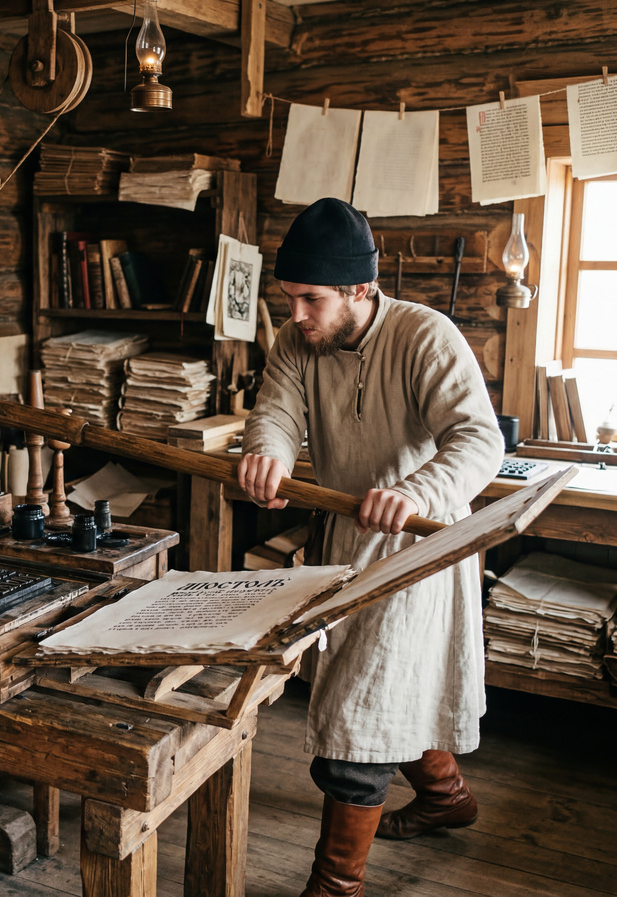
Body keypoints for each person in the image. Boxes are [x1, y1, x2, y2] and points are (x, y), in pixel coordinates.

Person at [237, 198, 505, 897]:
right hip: (344, 539)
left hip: (416, 549)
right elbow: (275, 413)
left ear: (361, 289)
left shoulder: (427, 336)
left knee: (361, 712)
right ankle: (447, 796)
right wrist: (266, 453)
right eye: (290, 298)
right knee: (389, 693)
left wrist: (415, 490)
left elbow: (479, 439)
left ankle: (336, 884)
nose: (295, 314)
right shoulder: (299, 342)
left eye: (311, 299)